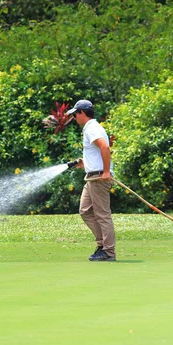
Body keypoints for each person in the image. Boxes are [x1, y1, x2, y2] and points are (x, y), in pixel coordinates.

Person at [66, 100, 117, 262]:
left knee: (102, 214)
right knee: (85, 210)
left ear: (82, 113)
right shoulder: (91, 128)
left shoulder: (92, 128)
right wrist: (85, 164)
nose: (74, 118)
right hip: (92, 176)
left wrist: (107, 171)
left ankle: (108, 252)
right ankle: (102, 245)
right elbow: (97, 152)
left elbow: (104, 147)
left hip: (99, 177)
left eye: (75, 114)